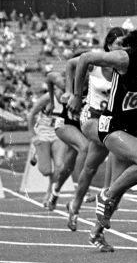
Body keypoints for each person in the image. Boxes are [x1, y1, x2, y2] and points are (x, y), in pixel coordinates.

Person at [67, 11, 137, 248]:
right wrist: (76, 96)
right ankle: (102, 195)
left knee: (118, 192)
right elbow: (85, 59)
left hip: (134, 127)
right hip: (112, 126)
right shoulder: (125, 58)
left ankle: (96, 233)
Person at [65, 27, 126, 246]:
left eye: (126, 44)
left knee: (91, 168)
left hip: (112, 124)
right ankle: (103, 197)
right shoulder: (96, 64)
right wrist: (72, 93)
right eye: (119, 44)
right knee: (118, 153)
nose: (123, 48)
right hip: (90, 119)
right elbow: (71, 65)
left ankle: (77, 209)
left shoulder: (127, 66)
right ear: (109, 46)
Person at [45, 50, 90, 211]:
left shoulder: (95, 83)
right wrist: (51, 101)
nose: (86, 74)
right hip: (64, 124)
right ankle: (81, 190)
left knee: (67, 167)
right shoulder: (66, 82)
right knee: (85, 147)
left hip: (80, 127)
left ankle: (54, 195)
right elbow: (50, 77)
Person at [27, 92, 66, 206]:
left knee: (60, 166)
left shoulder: (70, 97)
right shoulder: (48, 97)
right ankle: (36, 153)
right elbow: (31, 115)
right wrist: (33, 135)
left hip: (58, 133)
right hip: (43, 133)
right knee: (46, 170)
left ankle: (49, 192)